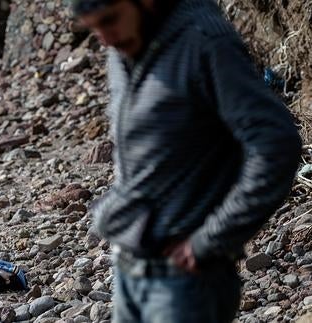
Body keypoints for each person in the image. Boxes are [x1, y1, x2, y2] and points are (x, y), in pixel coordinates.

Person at [72, 0, 302, 322]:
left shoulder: (204, 41)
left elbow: (276, 142)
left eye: (109, 20)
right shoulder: (125, 42)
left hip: (184, 282)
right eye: (92, 28)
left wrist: (212, 238)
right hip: (129, 269)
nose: (105, 40)